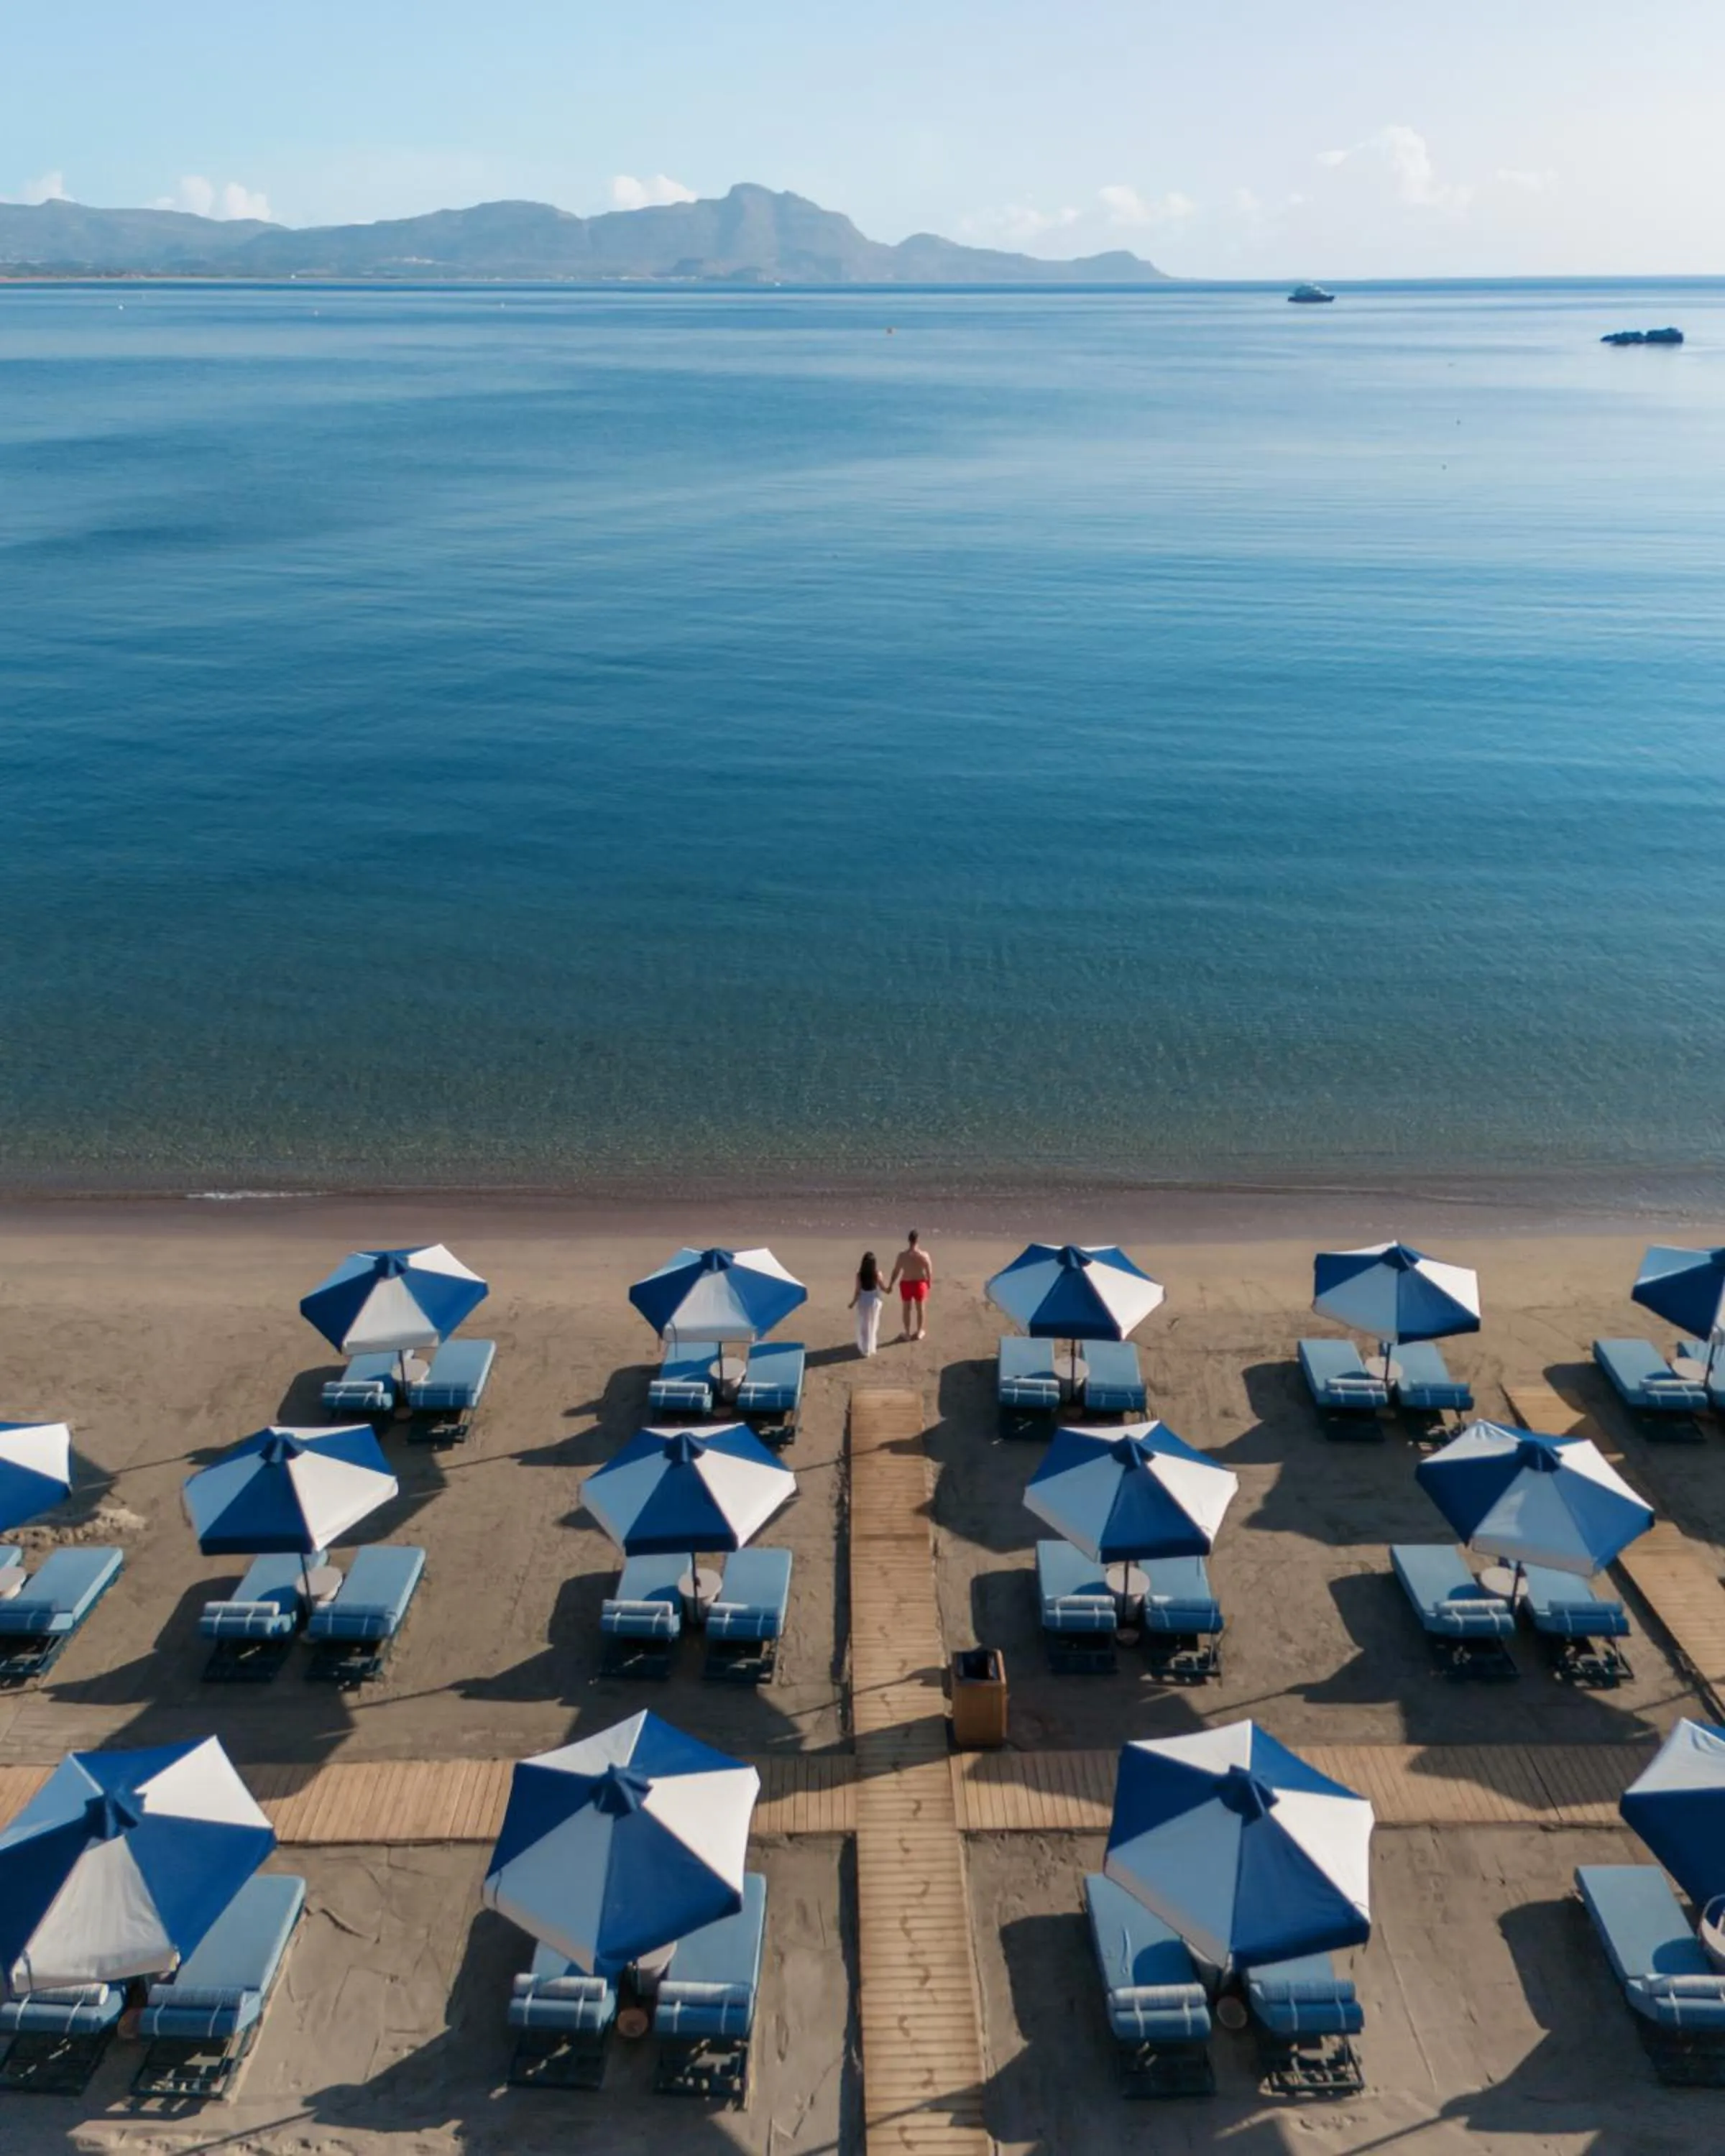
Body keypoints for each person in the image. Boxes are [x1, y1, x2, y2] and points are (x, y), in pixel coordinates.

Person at [888, 1229, 933, 1341]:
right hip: (919, 1283)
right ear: (918, 1240)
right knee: (920, 1309)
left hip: (906, 1283)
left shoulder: (902, 1256)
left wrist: (891, 1285)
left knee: (906, 1308)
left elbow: (896, 1271)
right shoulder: (924, 1255)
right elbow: (929, 1270)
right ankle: (919, 1332)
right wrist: (929, 1282)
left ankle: (907, 1333)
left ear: (909, 1240)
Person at [850, 1250, 887, 1357]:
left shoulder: (859, 1275)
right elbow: (882, 1287)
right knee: (874, 1324)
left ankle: (865, 1348)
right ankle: (871, 1346)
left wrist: (852, 1303)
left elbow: (857, 1291)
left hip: (863, 1301)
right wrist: (888, 1290)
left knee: (864, 1325)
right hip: (874, 1301)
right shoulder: (877, 1274)